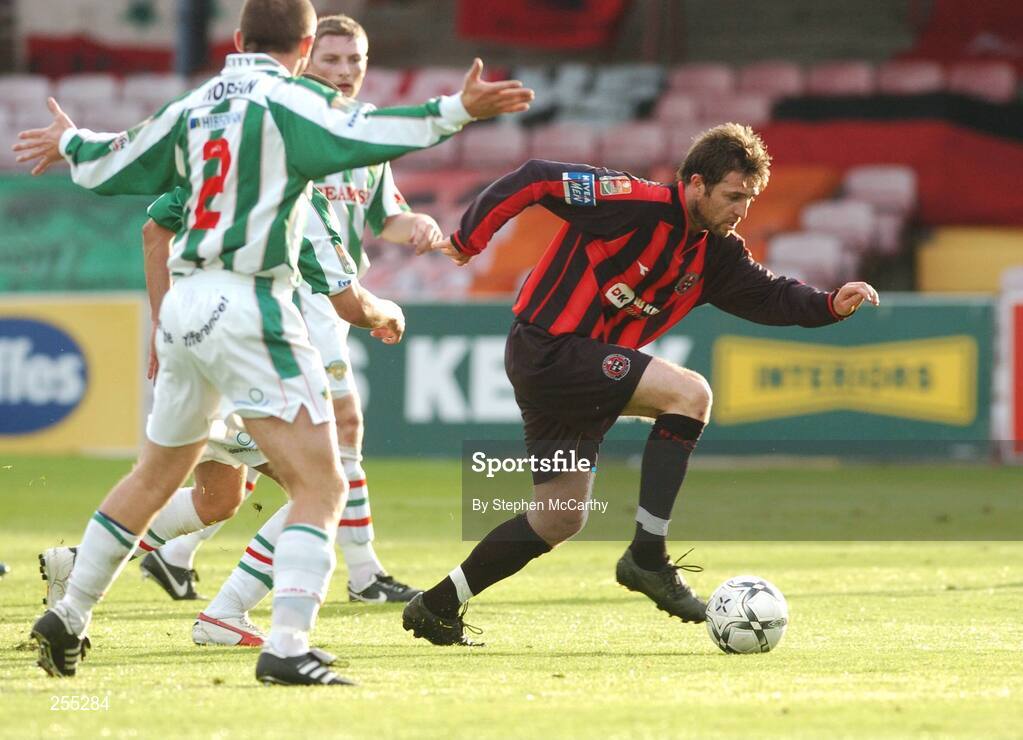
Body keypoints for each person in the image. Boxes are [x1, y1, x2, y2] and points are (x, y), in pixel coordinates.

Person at [14, 0, 531, 684]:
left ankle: (71, 611)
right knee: (322, 479)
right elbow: (372, 128)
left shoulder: (197, 104)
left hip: (185, 300)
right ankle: (286, 644)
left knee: (155, 475)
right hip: (249, 298)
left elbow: (121, 159)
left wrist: (71, 141)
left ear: (236, 39)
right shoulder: (290, 100)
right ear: (306, 43)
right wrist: (456, 109)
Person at [401, 123, 880, 646]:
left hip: (574, 373)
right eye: (732, 196)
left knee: (558, 518)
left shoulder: (717, 254)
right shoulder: (631, 201)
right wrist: (470, 239)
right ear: (696, 183)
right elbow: (536, 178)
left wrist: (830, 304)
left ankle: (437, 604)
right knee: (690, 394)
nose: (741, 210)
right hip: (551, 348)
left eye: (749, 199)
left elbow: (771, 296)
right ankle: (647, 556)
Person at [144, 14, 441, 608]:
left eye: (354, 60)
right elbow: (159, 223)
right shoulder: (278, 124)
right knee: (334, 439)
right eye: (331, 60)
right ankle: (361, 575)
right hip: (286, 297)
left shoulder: (363, 137)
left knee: (252, 464)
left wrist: (420, 226)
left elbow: (386, 216)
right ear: (306, 58)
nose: (345, 72)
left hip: (329, 299)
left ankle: (156, 550)